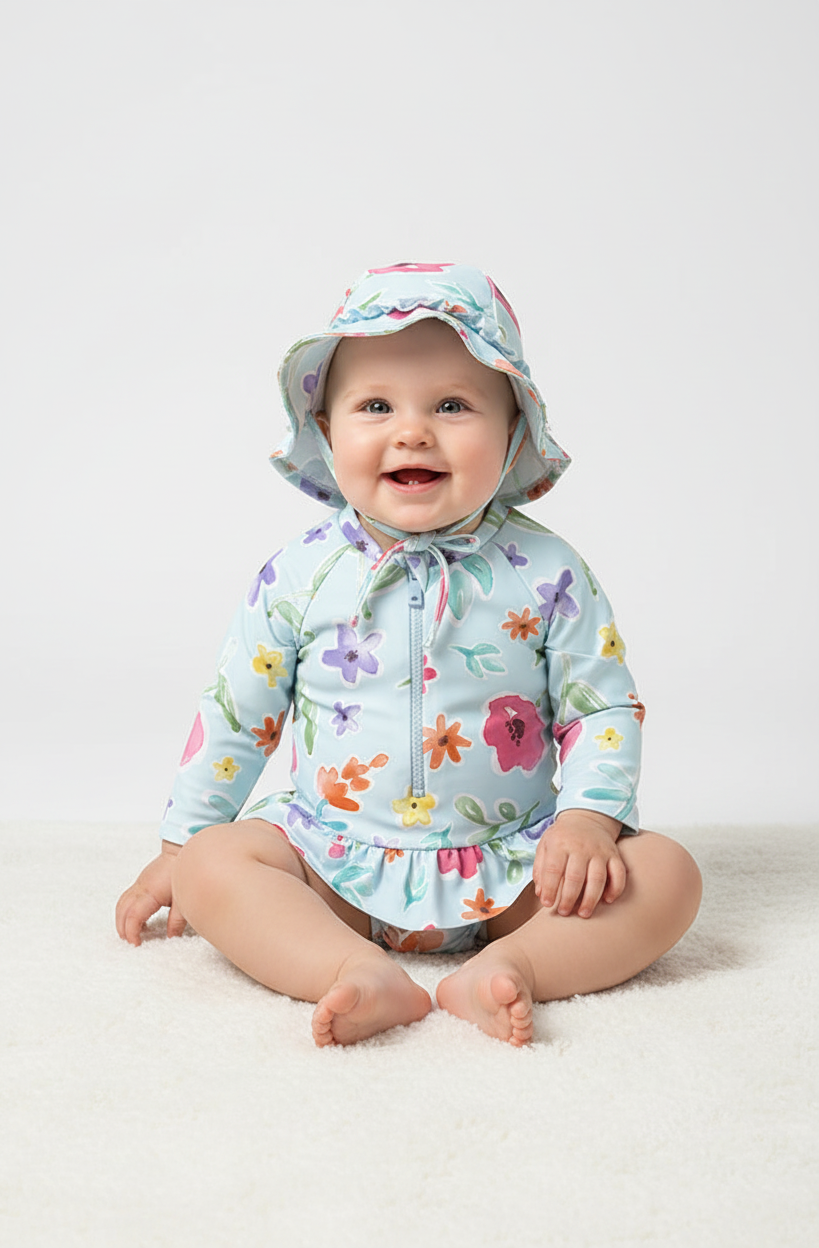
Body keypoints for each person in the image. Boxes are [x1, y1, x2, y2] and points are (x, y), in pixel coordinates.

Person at [116, 262, 702, 1047]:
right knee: (212, 864)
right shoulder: (300, 575)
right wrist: (179, 844)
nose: (413, 431)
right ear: (327, 432)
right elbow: (236, 715)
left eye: (453, 405)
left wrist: (590, 823)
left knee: (666, 873)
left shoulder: (549, 572)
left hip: (517, 866)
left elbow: (600, 706)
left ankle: (514, 966)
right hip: (332, 864)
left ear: (514, 433)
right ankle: (350, 968)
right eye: (375, 406)